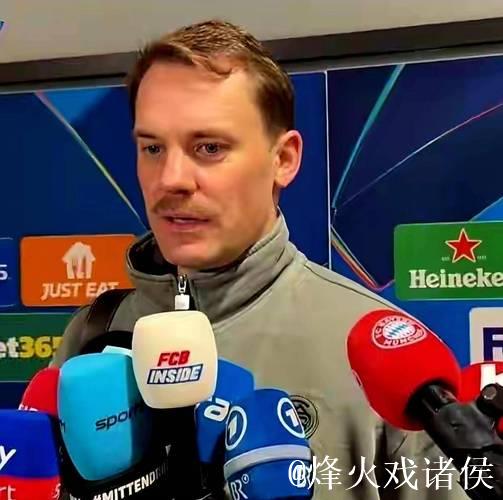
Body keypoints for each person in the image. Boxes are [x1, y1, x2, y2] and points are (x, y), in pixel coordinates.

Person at [52, 19, 469, 499]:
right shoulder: (92, 334)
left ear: (283, 159)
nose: (171, 179)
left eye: (209, 148)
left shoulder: (376, 354)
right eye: (152, 148)